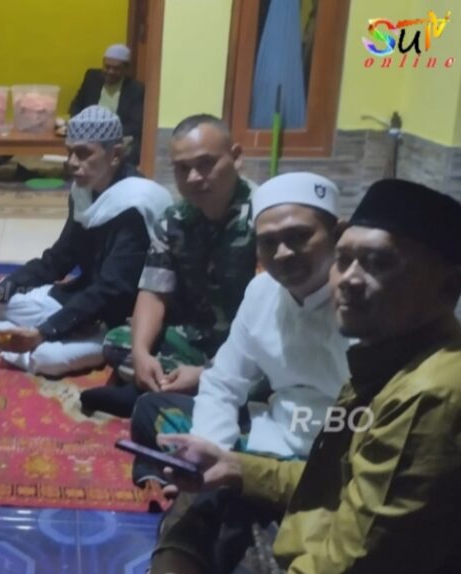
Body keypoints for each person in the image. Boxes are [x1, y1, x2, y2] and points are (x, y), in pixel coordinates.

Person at [154, 179, 461, 574]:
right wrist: (235, 466)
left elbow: (354, 561)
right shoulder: (384, 354)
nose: (349, 279)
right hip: (293, 466)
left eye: (378, 263)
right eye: (344, 259)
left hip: (311, 532)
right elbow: (334, 477)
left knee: (201, 514)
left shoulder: (427, 395)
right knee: (185, 451)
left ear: (449, 286)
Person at [129, 172, 350, 573]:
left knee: (217, 509)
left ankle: (219, 509)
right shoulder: (263, 292)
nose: (283, 253)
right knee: (150, 409)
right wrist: (210, 452)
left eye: (299, 236)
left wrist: (230, 466)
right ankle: (212, 492)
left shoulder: (364, 306)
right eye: (268, 242)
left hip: (328, 464)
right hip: (267, 434)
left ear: (337, 235)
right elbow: (222, 382)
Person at [0, 106, 171, 376]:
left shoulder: (136, 203)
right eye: (69, 152)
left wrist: (45, 331)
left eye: (84, 153)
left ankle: (32, 345)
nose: (73, 162)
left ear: (115, 155)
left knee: (48, 357)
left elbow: (112, 290)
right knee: (3, 300)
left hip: (117, 316)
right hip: (84, 296)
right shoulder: (84, 192)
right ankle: (28, 339)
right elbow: (58, 259)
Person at [80, 114, 257, 418]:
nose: (193, 178)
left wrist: (206, 374)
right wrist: (141, 353)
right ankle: (179, 391)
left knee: (272, 373)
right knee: (117, 343)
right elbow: (153, 292)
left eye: (206, 164)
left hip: (250, 347)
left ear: (236, 157)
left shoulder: (264, 217)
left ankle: (163, 395)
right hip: (198, 338)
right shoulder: (174, 220)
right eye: (182, 168)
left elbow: (273, 322)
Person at [69, 44, 145, 165]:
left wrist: (106, 132)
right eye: (107, 67)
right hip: (86, 134)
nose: (110, 72)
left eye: (116, 68)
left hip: (113, 140)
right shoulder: (92, 78)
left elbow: (135, 125)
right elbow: (76, 106)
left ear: (126, 69)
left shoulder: (135, 89)